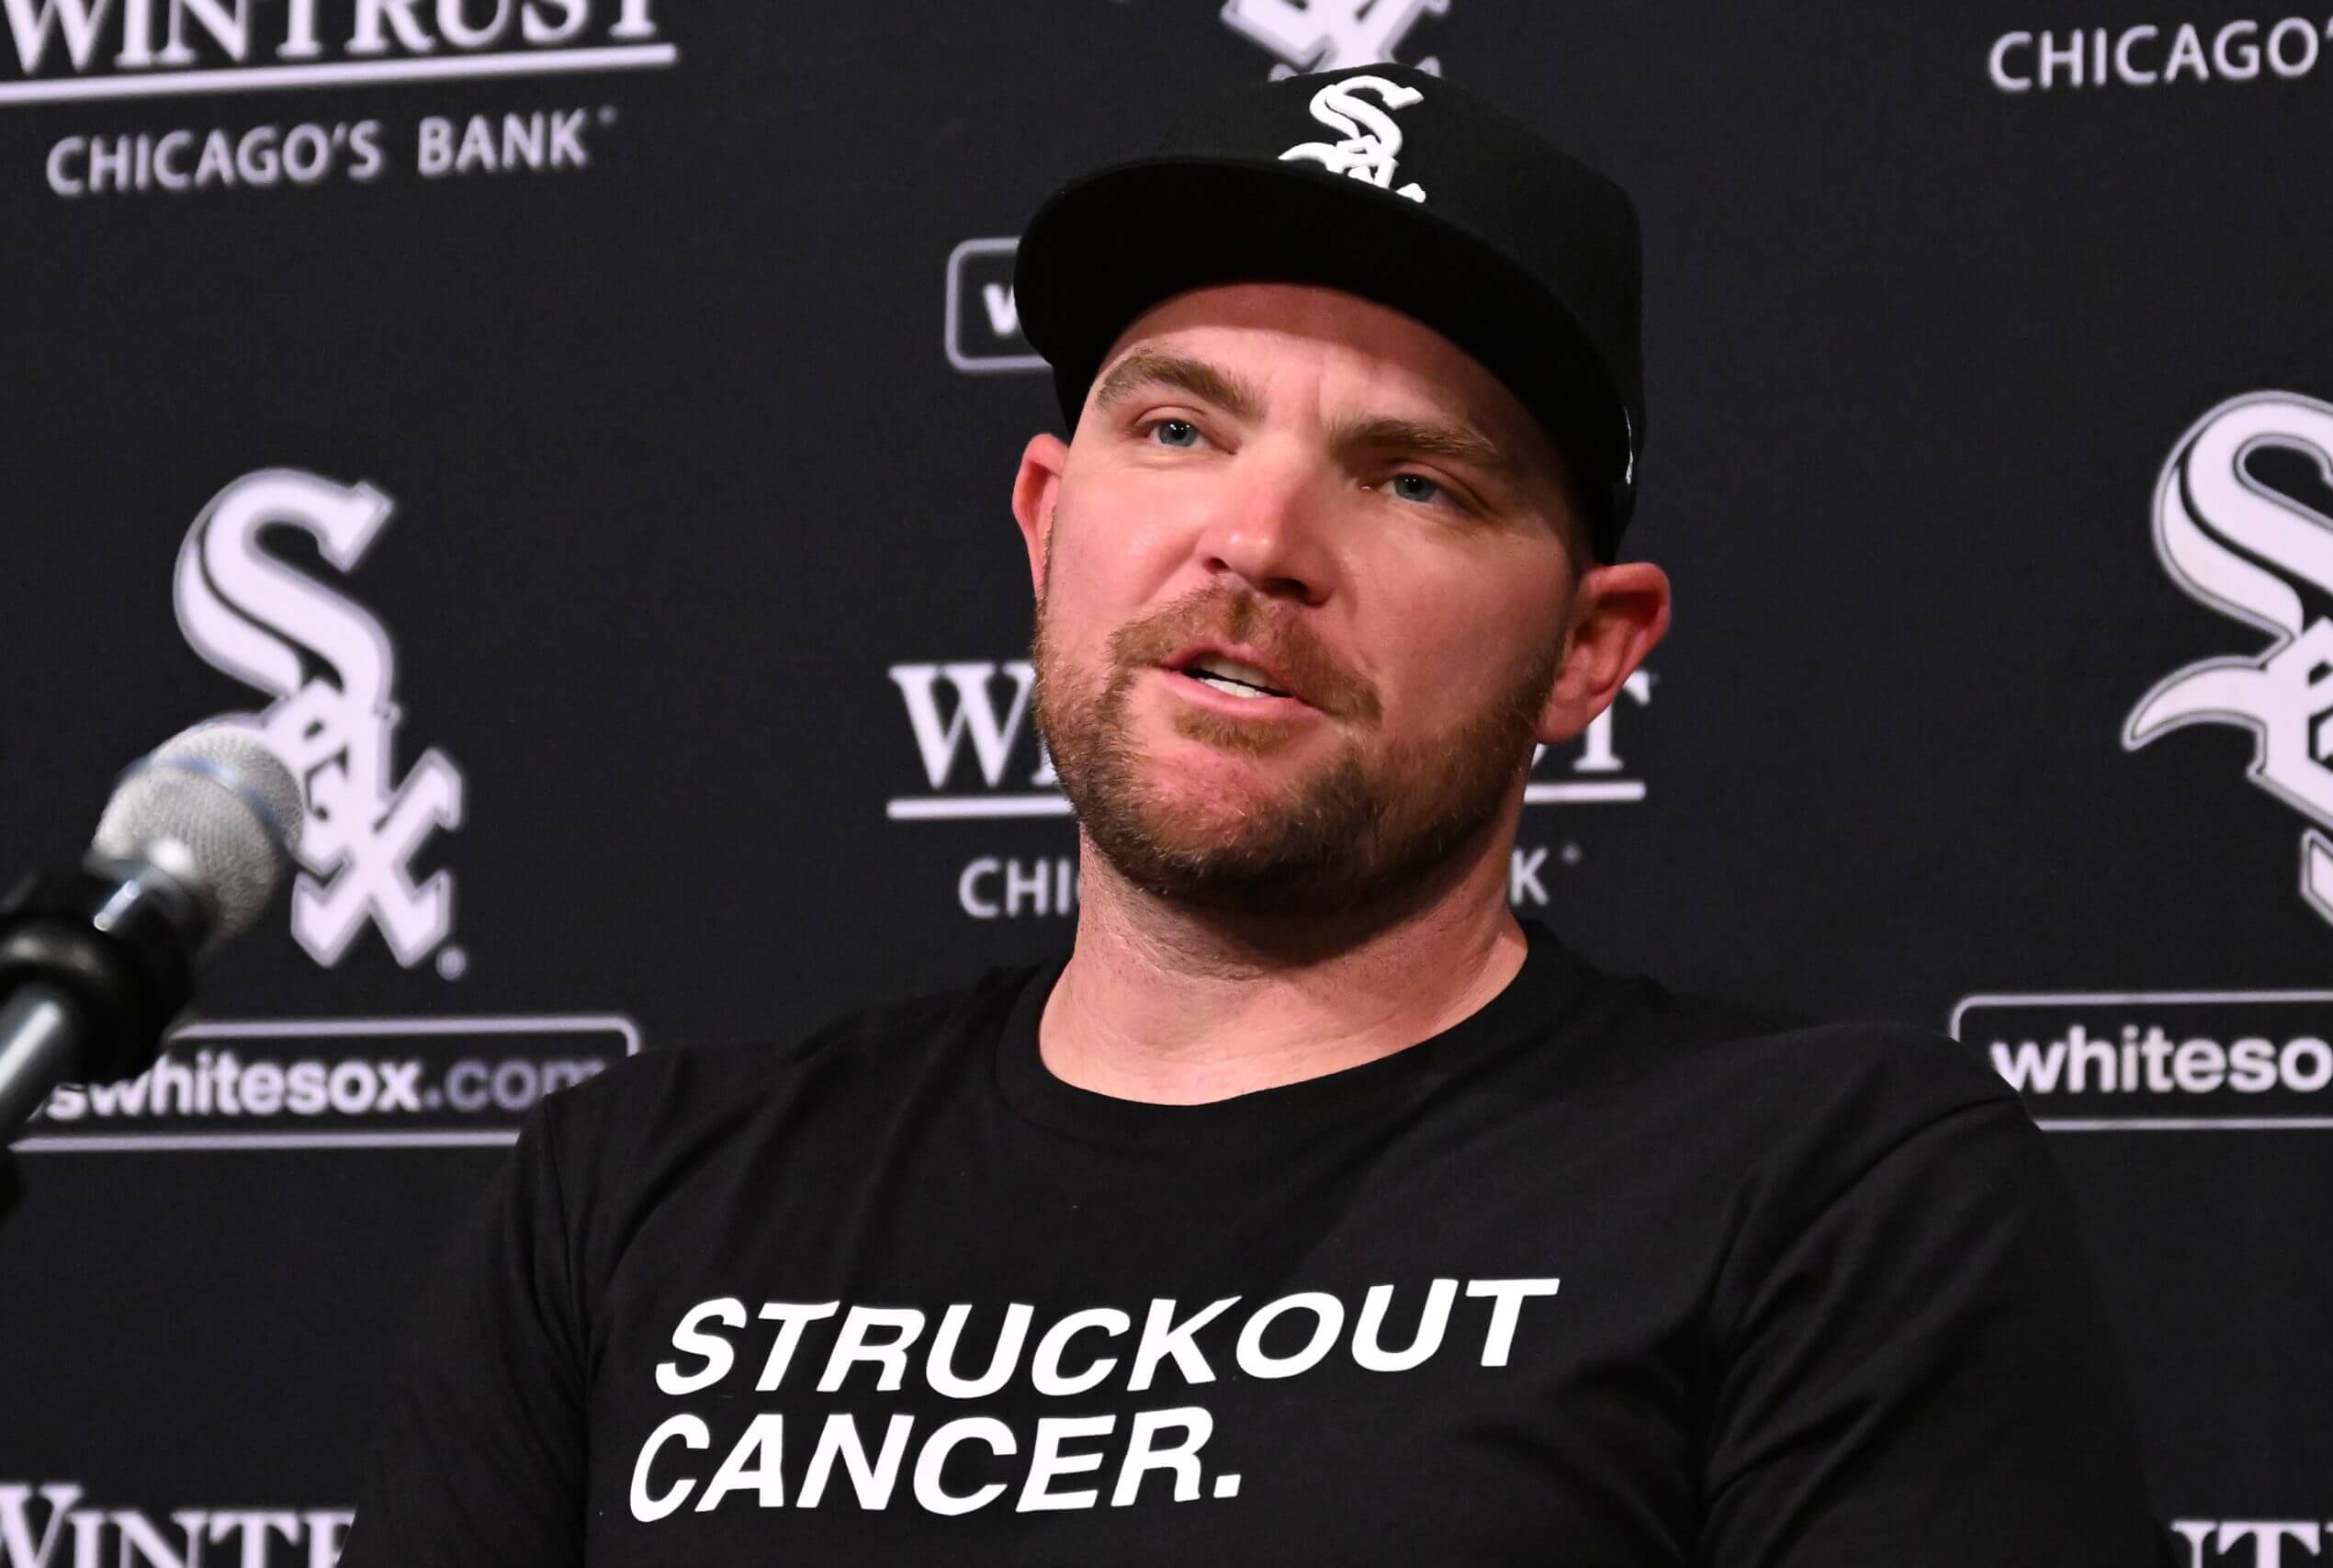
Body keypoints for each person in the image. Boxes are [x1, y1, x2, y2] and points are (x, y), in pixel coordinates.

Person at [342, 66, 2161, 1566]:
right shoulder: (630, 1197)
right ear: (1048, 518)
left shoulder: (1821, 1193)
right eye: (1179, 430)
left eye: (1414, 478)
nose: (1257, 540)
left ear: (1586, 652)